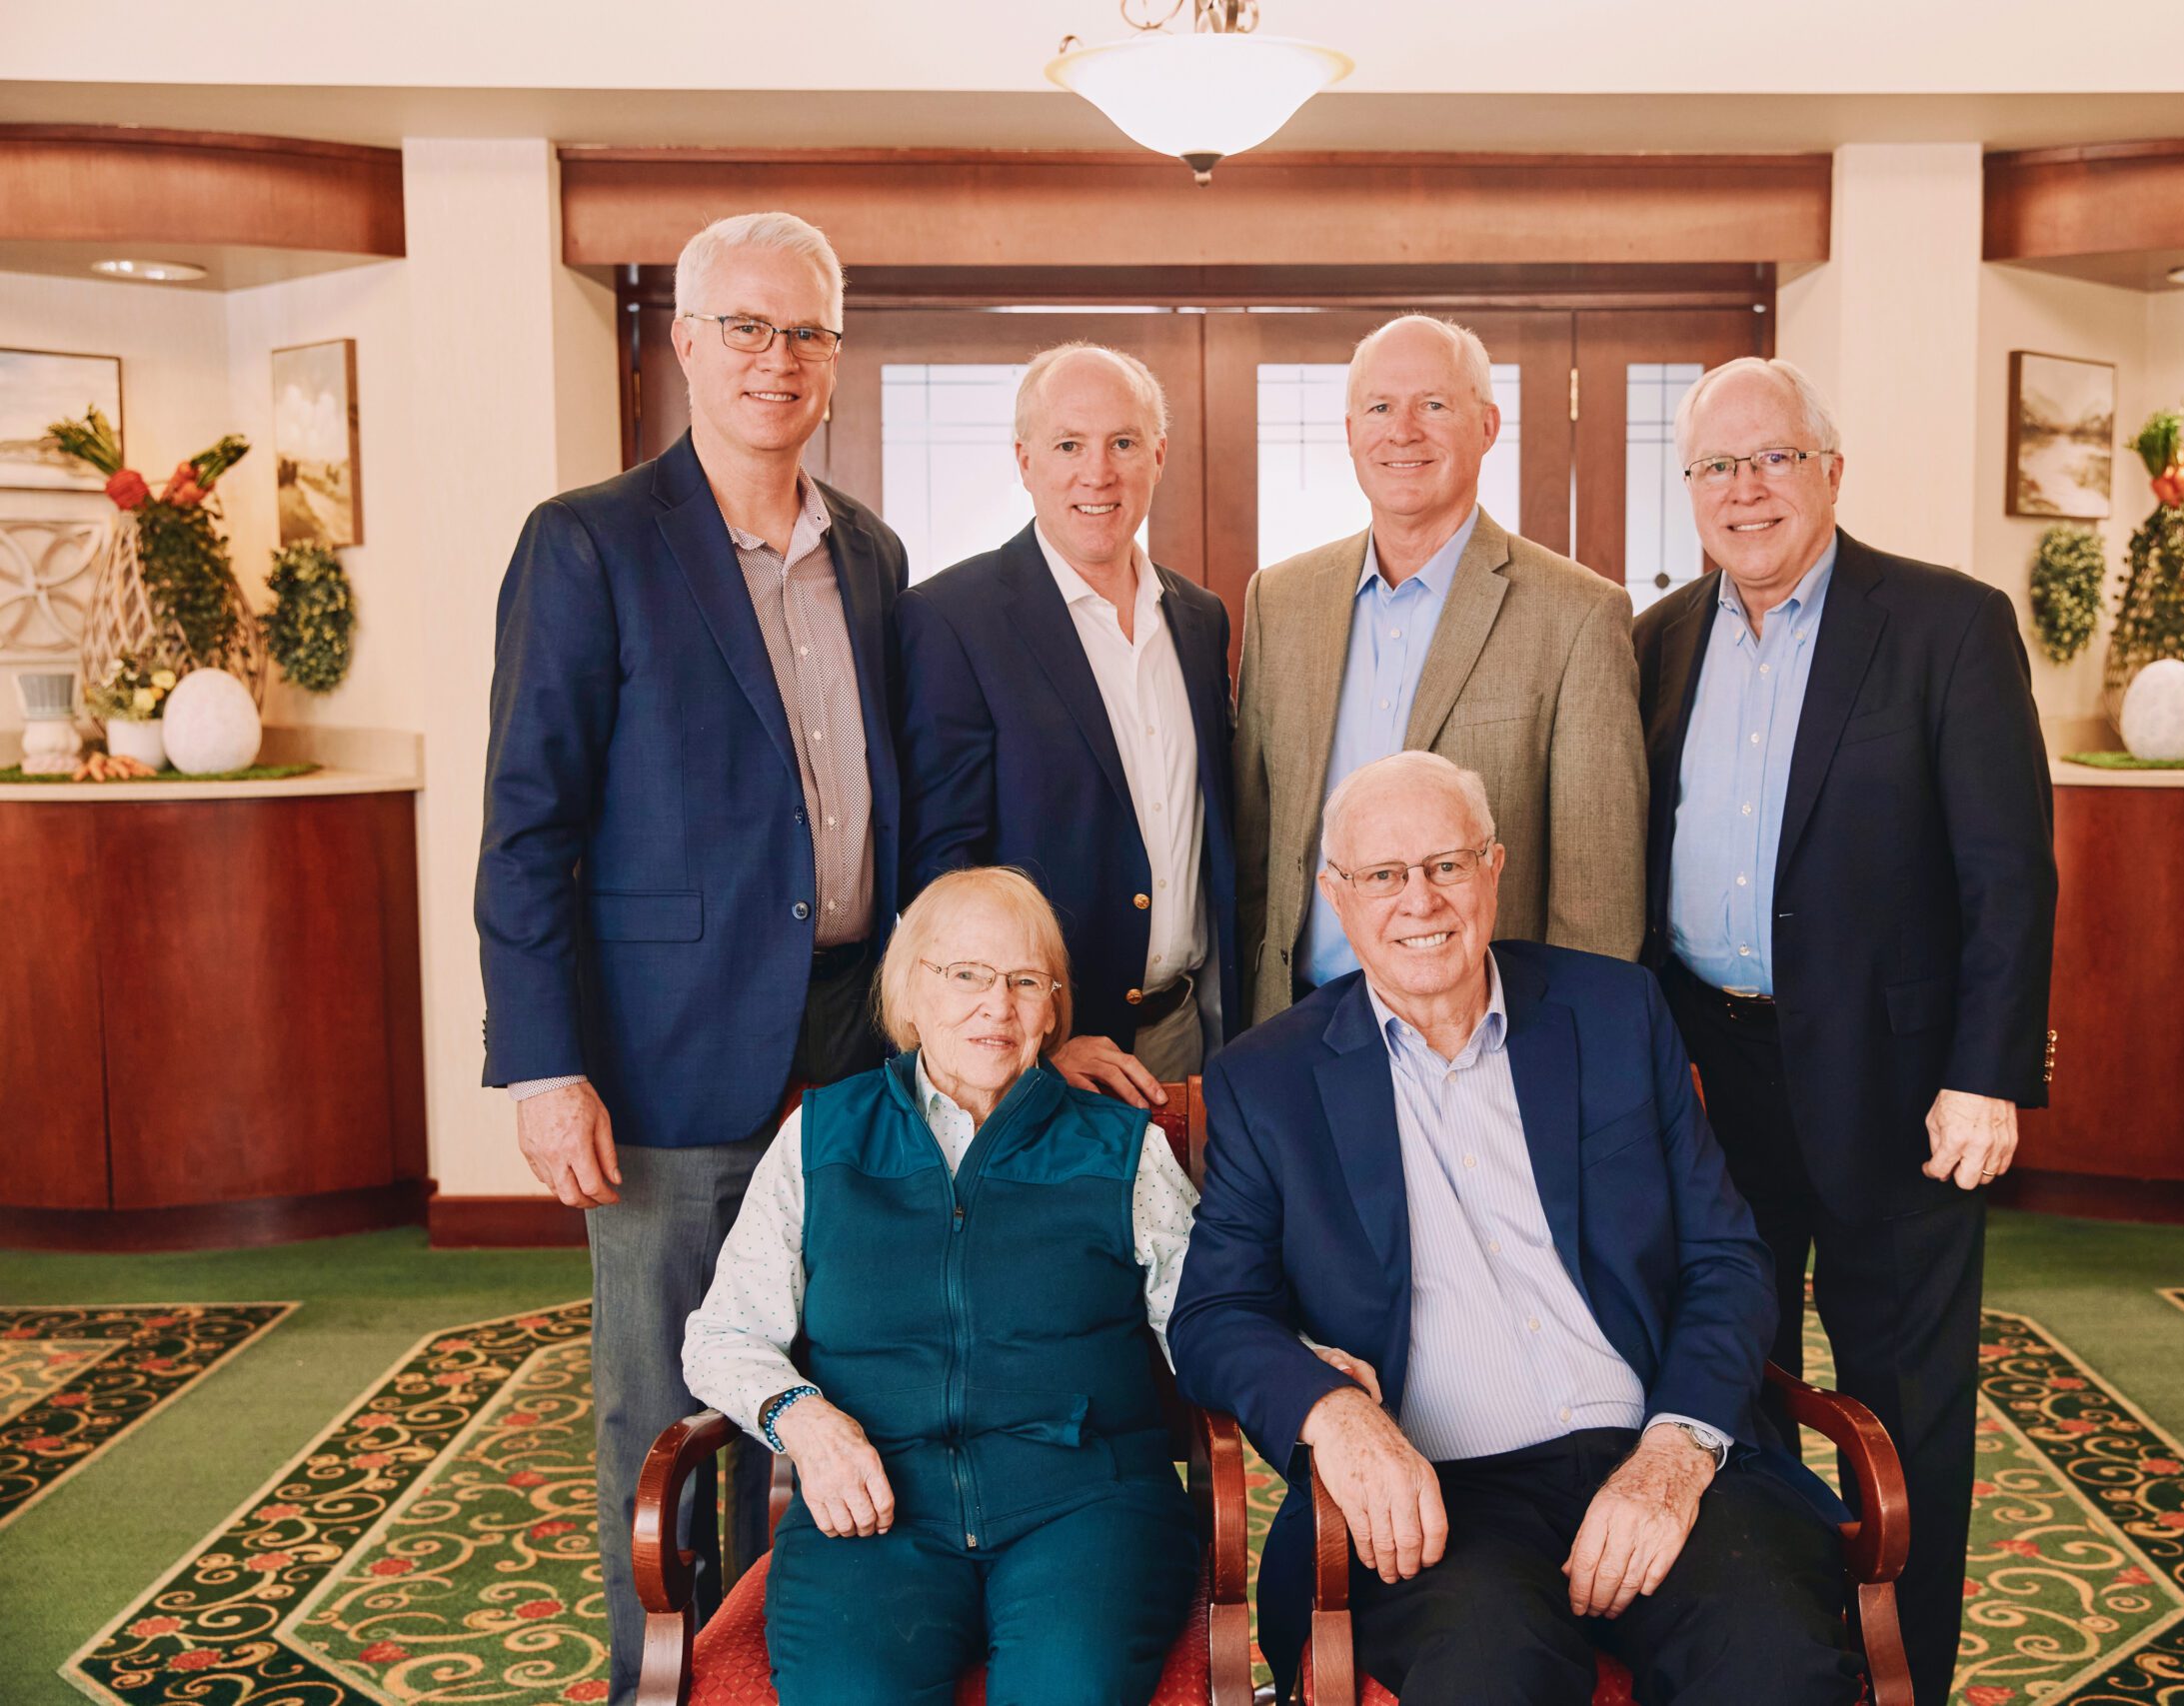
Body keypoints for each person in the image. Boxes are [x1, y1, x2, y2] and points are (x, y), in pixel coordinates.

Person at [1171, 752, 1860, 1706]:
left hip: (1652, 1446)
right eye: (1383, 875)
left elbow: (1726, 1258)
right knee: (1492, 1677)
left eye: (1447, 865)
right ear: (1337, 895)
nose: (1421, 901)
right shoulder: (1268, 1081)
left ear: (1494, 868)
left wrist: (1675, 1451)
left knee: (1776, 1669)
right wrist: (1333, 1416)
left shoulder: (1616, 1012)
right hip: (1444, 1495)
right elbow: (1213, 1314)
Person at [477, 210, 907, 1705]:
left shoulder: (871, 549)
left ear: (835, 359)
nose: (774, 360)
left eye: (805, 333)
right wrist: (544, 1062)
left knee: (841, 1374)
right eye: (745, 326)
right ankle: (657, 1677)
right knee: (665, 1407)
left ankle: (793, 1662)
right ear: (685, 341)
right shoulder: (588, 541)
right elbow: (525, 824)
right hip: (664, 1047)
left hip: (853, 1041)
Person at [1632, 356, 2056, 1706]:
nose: (1744, 488)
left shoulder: (1946, 623)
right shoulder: (1661, 641)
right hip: (1713, 1078)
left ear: (1829, 469)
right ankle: (1768, 1660)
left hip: (1898, 1091)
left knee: (1906, 1410)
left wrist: (1987, 1074)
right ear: (1689, 489)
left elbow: (2009, 870)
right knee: (1730, 1385)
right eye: (1716, 466)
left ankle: (1904, 1681)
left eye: (1773, 458)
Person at [682, 866, 1200, 1704]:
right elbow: (722, 1333)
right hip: (873, 1507)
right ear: (910, 991)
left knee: (1067, 1690)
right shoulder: (822, 1136)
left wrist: (1309, 1375)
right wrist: (802, 1419)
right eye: (966, 975)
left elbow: (1210, 1321)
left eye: (1026, 980)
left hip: (1086, 1510)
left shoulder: (1121, 1149)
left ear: (1052, 1007)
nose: (997, 1005)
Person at [1231, 314, 1645, 1025]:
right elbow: (1255, 849)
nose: (1403, 431)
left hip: (1488, 1035)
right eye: (1380, 407)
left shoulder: (1578, 614)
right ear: (1352, 429)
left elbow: (1597, 901)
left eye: (1434, 404)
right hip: (1301, 1027)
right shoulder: (1281, 600)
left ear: (1486, 425)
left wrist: (1571, 1057)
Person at [898, 343, 1236, 1107]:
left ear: (1158, 453)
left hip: (1190, 1035)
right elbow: (939, 870)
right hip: (1038, 1056)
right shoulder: (954, 620)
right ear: (1024, 460)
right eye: (1068, 445)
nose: (1098, 472)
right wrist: (1041, 1035)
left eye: (1122, 443)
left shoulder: (1198, 617)